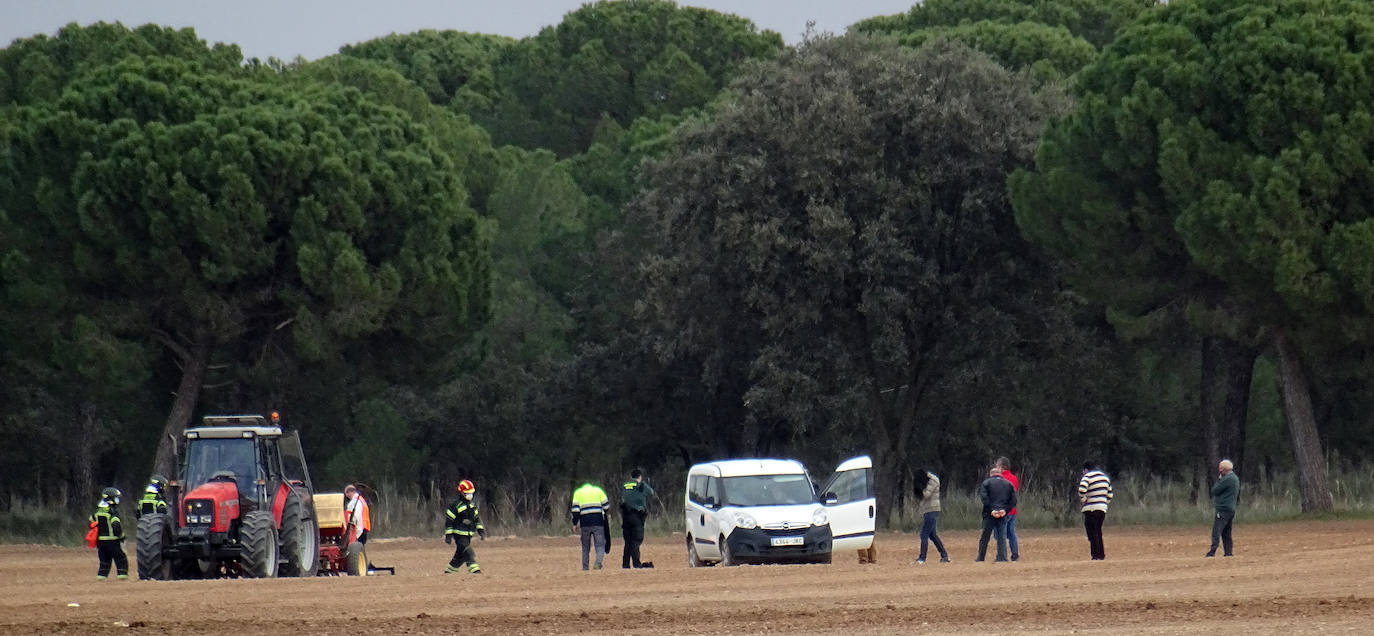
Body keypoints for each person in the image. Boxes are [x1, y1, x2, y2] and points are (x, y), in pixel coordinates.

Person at [444, 479, 485, 574]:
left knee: (460, 554)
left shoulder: (472, 506)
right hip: (459, 535)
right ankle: (475, 571)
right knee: (468, 552)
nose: (470, 495)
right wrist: (448, 536)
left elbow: (476, 519)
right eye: (468, 493)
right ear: (462, 493)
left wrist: (480, 530)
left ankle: (450, 571)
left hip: (468, 535)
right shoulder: (455, 506)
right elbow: (449, 521)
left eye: (471, 493)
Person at [976, 466, 1016, 563]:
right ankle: (1002, 558)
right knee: (1002, 536)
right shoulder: (1009, 484)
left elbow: (984, 498)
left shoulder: (986, 483)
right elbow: (1013, 501)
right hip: (1003, 514)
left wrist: (991, 510)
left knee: (985, 536)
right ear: (1000, 474)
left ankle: (981, 558)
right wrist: (1005, 510)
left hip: (989, 514)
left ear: (991, 475)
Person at [571, 481, 611, 570]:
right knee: (600, 545)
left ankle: (585, 568)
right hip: (598, 522)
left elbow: (575, 510)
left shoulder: (578, 493)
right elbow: (606, 506)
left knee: (585, 547)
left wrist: (575, 523)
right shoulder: (598, 491)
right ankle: (598, 562)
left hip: (584, 523)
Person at [619, 469, 655, 569]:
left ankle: (625, 564)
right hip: (637, 516)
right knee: (636, 540)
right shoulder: (641, 485)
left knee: (628, 541)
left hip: (625, 517)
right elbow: (651, 493)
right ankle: (636, 563)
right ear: (639, 477)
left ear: (631, 476)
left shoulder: (625, 485)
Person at [91, 487, 128, 580]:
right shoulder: (112, 512)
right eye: (116, 497)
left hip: (100, 542)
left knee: (104, 561)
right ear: (111, 499)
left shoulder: (98, 511)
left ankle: (101, 578)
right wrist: (122, 537)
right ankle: (122, 577)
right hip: (112, 541)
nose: (118, 500)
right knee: (121, 559)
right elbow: (116, 526)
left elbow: (91, 523)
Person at [1078, 462, 1113, 560]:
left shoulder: (1087, 477)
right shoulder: (1105, 477)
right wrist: (1104, 503)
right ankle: (1101, 554)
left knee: (1092, 533)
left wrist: (1084, 500)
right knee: (1098, 531)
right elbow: (1110, 494)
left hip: (1091, 508)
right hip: (1102, 509)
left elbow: (1081, 489)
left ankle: (1095, 555)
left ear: (1086, 469)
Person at [913, 468, 949, 564]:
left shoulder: (933, 480)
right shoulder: (929, 480)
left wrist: (919, 489)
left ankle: (922, 558)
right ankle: (944, 556)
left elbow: (926, 495)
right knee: (932, 535)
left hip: (932, 510)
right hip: (928, 510)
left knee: (924, 534)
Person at [1206, 459, 1240, 558]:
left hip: (1223, 509)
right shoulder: (1235, 478)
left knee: (1217, 531)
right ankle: (1228, 552)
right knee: (1226, 532)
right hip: (1231, 509)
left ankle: (1212, 552)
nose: (1220, 472)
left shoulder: (1227, 479)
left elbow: (1215, 490)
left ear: (1224, 470)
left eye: (1220, 470)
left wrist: (1219, 480)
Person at [994, 457, 1020, 561]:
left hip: (1002, 510)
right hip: (1012, 510)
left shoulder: (999, 479)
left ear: (1001, 467)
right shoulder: (1014, 478)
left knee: (1000, 534)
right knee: (1011, 533)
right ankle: (1015, 554)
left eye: (997, 466)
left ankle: (1002, 555)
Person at [344, 484, 374, 573]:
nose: (346, 496)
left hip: (359, 528)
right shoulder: (361, 500)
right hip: (364, 527)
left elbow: (355, 516)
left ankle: (363, 568)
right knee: (360, 549)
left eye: (346, 494)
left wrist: (351, 527)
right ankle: (364, 567)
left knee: (357, 551)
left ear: (349, 492)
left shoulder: (355, 501)